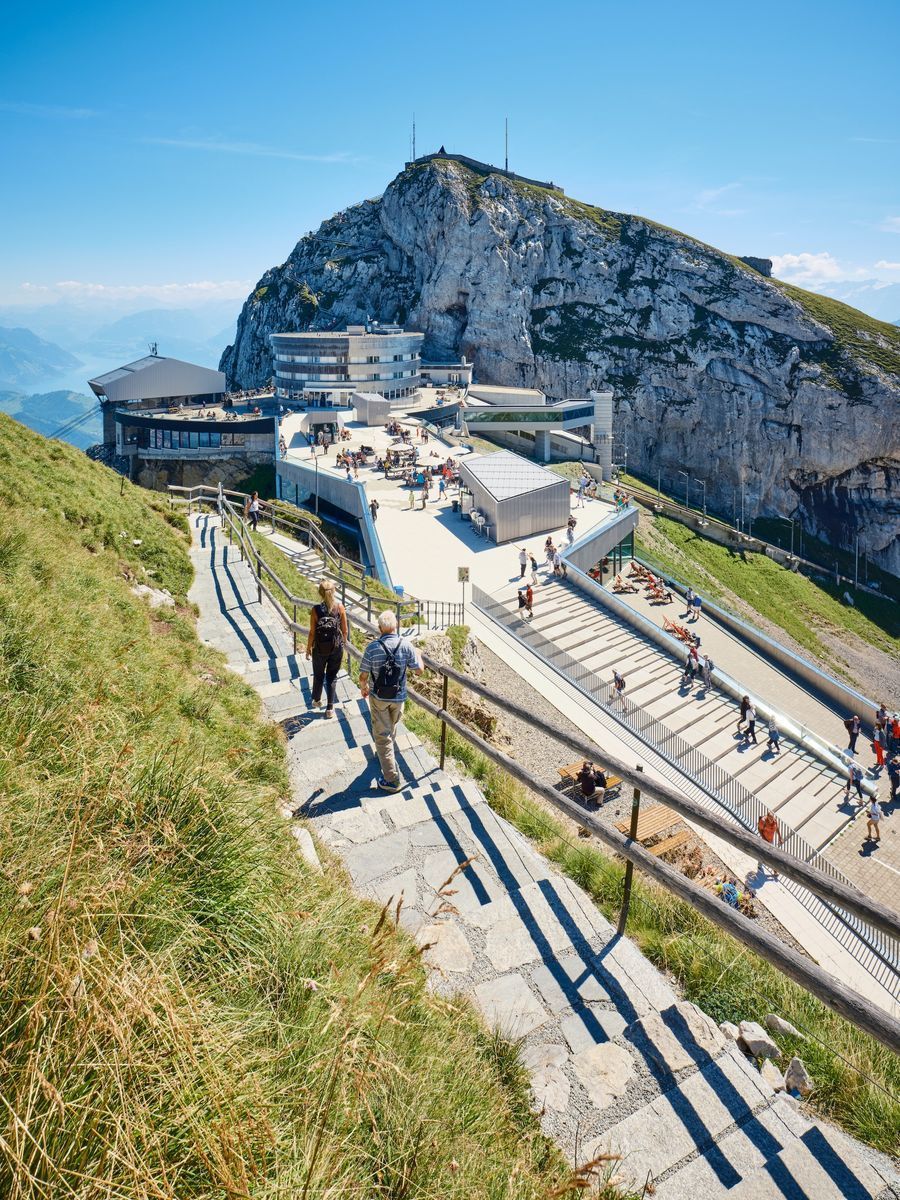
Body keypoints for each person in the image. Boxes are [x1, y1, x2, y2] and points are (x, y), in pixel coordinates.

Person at [358, 610, 423, 791]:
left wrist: (364, 688)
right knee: (389, 730)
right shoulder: (406, 645)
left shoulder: (372, 647)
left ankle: (392, 780)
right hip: (399, 697)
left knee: (382, 736)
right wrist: (418, 654)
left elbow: (363, 675)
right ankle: (387, 756)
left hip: (378, 697)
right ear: (396, 626)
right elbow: (419, 671)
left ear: (380, 628)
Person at [306, 580, 348, 719]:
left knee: (318, 674)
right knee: (332, 676)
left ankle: (317, 700)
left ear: (320, 593)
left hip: (319, 648)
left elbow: (312, 632)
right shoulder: (340, 607)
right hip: (336, 648)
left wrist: (308, 649)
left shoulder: (316, 609)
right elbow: (345, 630)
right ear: (334, 591)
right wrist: (343, 644)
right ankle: (330, 708)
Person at [757, 810, 783, 877]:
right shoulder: (763, 821)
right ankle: (759, 865)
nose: (772, 819)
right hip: (764, 840)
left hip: (771, 841)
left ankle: (775, 871)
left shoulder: (774, 821)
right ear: (767, 817)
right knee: (763, 853)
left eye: (772, 818)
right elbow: (759, 829)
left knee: (772, 855)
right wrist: (764, 840)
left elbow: (777, 828)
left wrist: (780, 837)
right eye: (770, 818)